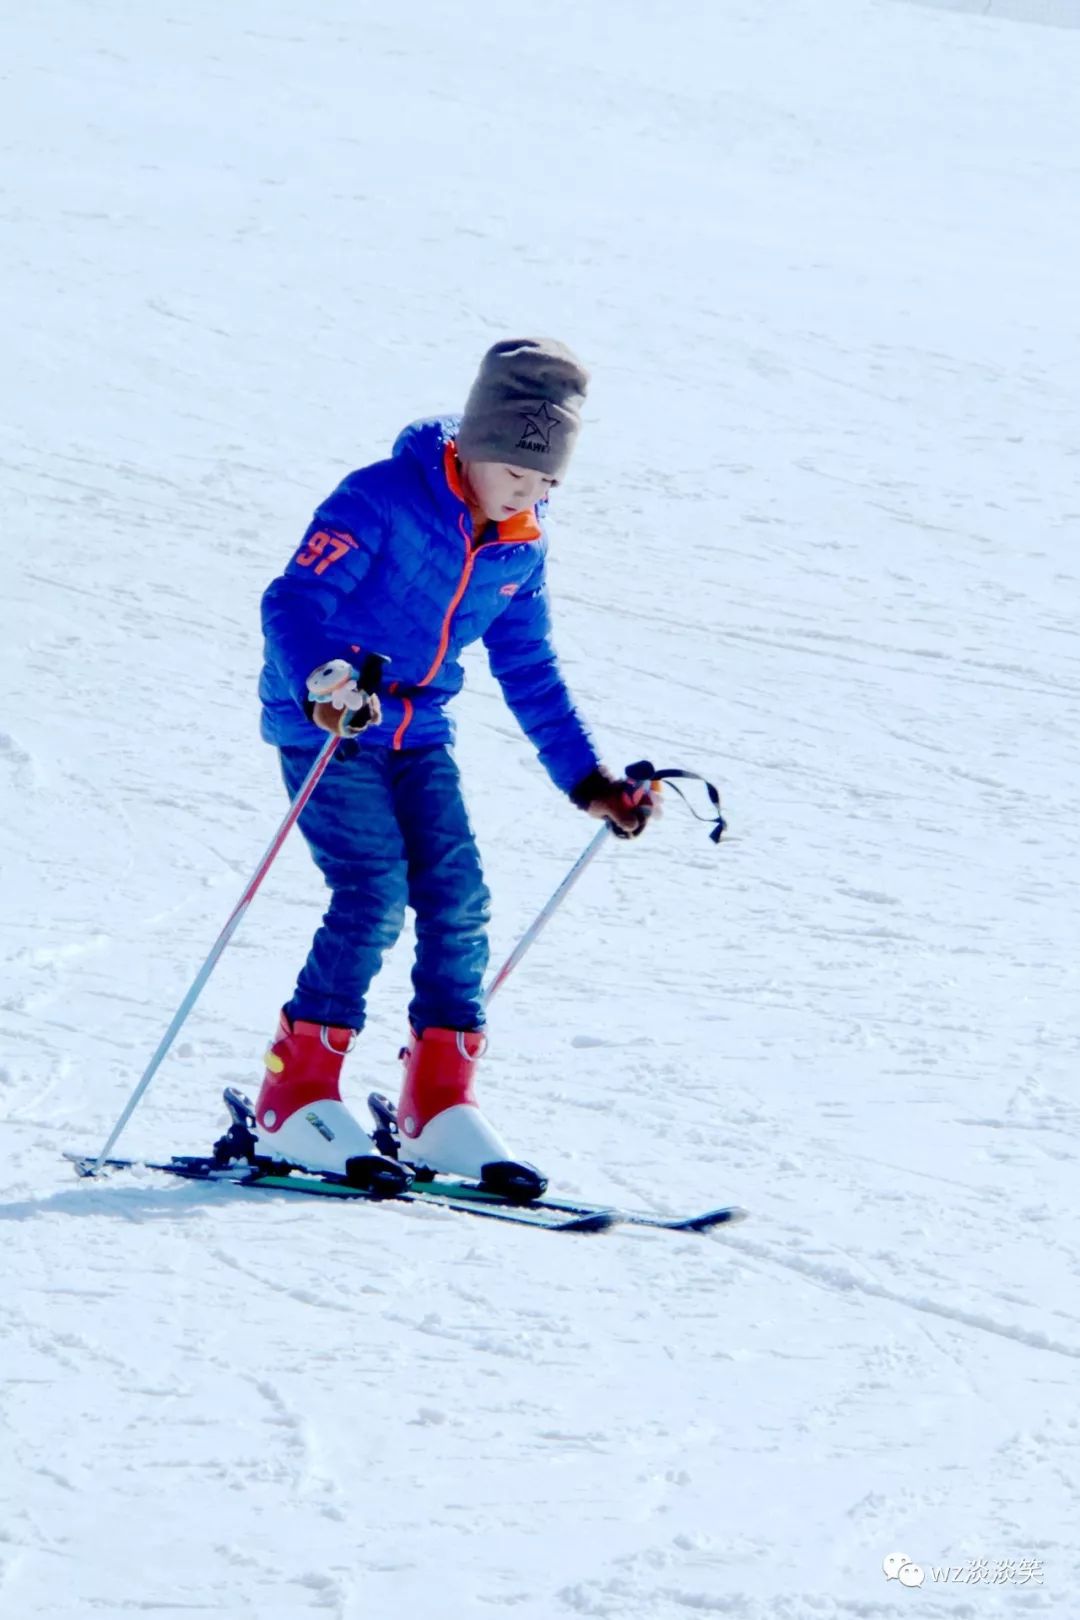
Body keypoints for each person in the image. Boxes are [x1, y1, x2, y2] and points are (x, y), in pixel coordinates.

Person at [254, 338, 655, 1184]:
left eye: (548, 482)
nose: (532, 493)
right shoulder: (379, 499)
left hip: (419, 734)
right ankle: (296, 1096)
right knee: (373, 893)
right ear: (476, 444)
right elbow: (293, 599)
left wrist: (589, 779)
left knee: (458, 897)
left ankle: (435, 1102)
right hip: (333, 725)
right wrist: (320, 681)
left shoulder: (520, 543)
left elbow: (530, 668)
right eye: (518, 472)